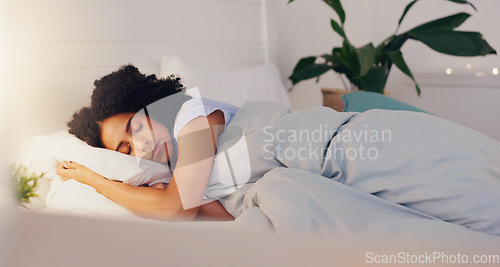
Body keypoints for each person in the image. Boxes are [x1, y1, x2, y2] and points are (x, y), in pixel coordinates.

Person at [57, 65, 237, 222]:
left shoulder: (193, 117)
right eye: (128, 150)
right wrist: (158, 192)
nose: (141, 145)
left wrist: (92, 180)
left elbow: (176, 210)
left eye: (137, 127)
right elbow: (228, 215)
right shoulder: (173, 167)